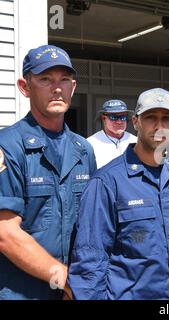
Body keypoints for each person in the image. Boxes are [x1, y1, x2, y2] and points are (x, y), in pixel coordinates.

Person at [67, 88, 169, 300]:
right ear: (136, 122)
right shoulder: (106, 182)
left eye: (167, 119)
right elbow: (89, 261)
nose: (159, 126)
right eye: (151, 117)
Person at [0, 45, 96, 299]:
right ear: (25, 87)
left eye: (64, 80)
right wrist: (64, 279)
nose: (57, 88)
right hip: (23, 291)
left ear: (73, 87)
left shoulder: (83, 149)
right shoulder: (8, 146)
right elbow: (5, 234)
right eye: (45, 79)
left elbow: (93, 223)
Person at [87, 99, 136, 169]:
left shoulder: (136, 141)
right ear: (104, 118)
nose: (119, 122)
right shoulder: (90, 144)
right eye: (114, 117)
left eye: (123, 117)